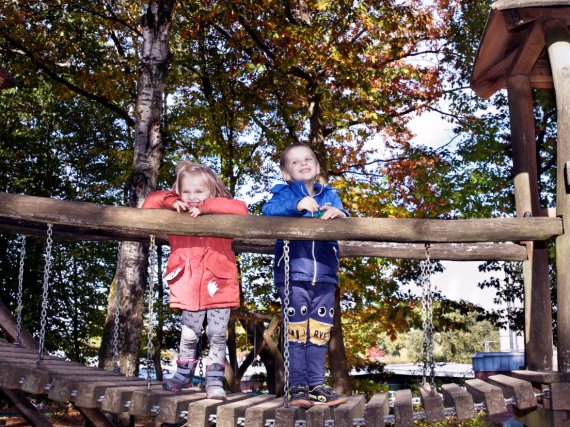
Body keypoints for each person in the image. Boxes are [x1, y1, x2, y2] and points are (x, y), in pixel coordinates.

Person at [142, 161, 248, 398]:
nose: (192, 197)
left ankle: (214, 381)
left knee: (217, 334)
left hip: (218, 286)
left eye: (199, 191)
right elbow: (149, 202)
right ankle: (183, 375)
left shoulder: (222, 211)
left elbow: (241, 208)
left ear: (213, 193)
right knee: (188, 334)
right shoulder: (175, 213)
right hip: (188, 286)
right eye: (186, 191)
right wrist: (172, 201)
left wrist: (207, 207)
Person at [261, 143, 349, 407]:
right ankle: (297, 385)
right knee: (297, 331)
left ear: (318, 167)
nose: (303, 164)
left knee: (320, 332)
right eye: (295, 162)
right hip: (293, 273)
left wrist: (340, 214)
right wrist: (297, 205)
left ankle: (317, 385)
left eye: (308, 159)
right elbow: (268, 211)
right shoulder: (282, 193)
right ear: (286, 173)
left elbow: (346, 219)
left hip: (324, 275)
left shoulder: (330, 195)